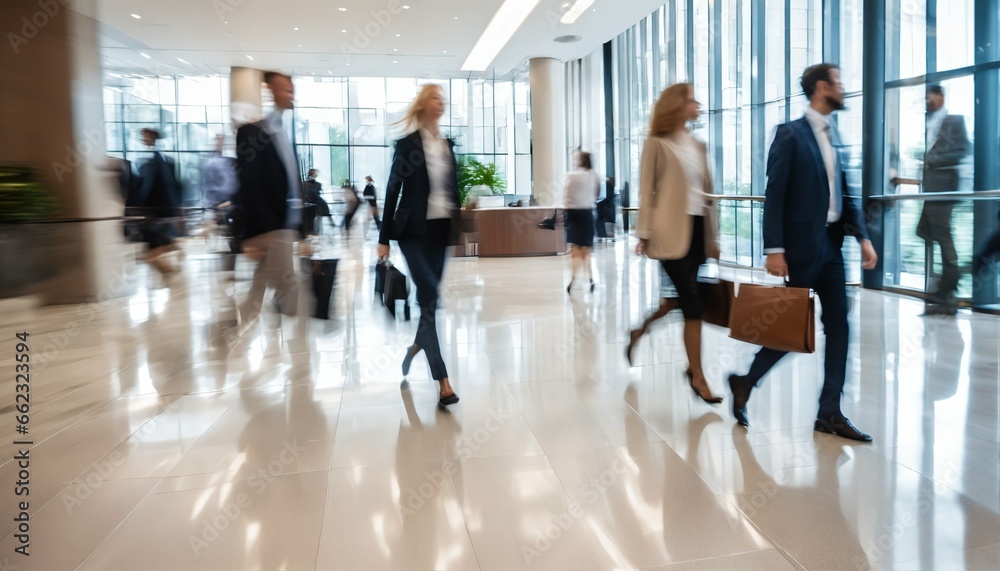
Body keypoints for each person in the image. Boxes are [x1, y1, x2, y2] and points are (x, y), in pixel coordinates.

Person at [728, 64, 879, 441]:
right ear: (821, 87)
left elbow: (844, 193)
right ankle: (746, 381)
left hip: (832, 245)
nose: (843, 89)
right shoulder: (790, 134)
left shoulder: (834, 136)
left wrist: (862, 237)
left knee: (840, 327)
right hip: (797, 249)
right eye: (839, 83)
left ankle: (829, 412)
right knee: (790, 327)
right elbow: (774, 195)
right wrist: (774, 249)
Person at [635, 83, 723, 405]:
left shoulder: (698, 145)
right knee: (692, 304)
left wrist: (713, 238)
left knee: (680, 302)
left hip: (698, 230)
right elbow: (648, 191)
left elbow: (707, 196)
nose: (697, 103)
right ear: (676, 105)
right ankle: (697, 375)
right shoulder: (656, 144)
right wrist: (643, 233)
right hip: (669, 233)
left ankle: (639, 330)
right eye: (691, 99)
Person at [377, 83, 461, 406]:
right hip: (413, 232)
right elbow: (391, 191)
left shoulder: (447, 145)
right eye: (435, 97)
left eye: (443, 98)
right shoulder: (407, 145)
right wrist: (383, 239)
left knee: (427, 303)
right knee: (431, 292)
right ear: (423, 105)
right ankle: (443, 381)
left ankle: (417, 346)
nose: (441, 102)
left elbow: (452, 190)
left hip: (441, 232)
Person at [232, 72, 304, 327]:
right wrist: (263, 227)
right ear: (271, 91)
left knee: (262, 280)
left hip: (285, 223)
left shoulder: (282, 131)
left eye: (292, 89)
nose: (291, 93)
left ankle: (239, 316)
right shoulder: (253, 133)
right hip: (272, 227)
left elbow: (291, 182)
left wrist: (300, 226)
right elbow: (250, 183)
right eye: (285, 88)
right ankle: (301, 352)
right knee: (294, 291)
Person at [918, 84, 970, 315]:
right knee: (926, 231)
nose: (927, 101)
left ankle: (947, 288)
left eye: (930, 97)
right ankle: (945, 283)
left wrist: (934, 160)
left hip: (944, 190)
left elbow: (964, 149)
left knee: (942, 235)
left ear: (940, 96)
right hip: (931, 189)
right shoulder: (928, 123)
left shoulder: (955, 120)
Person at [136, 128, 182, 274]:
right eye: (143, 137)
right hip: (157, 210)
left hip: (156, 210)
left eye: (146, 136)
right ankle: (168, 267)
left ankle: (169, 266)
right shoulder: (156, 159)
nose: (144, 139)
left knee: (152, 249)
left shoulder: (155, 160)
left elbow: (153, 187)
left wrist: (139, 205)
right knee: (153, 247)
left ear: (153, 138)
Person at [625, 265, 680, 366]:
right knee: (674, 304)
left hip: (682, 260)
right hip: (682, 261)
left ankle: (638, 332)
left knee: (673, 305)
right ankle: (638, 332)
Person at [564, 151, 601, 293]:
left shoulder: (571, 176)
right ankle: (590, 277)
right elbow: (597, 194)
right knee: (587, 248)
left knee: (575, 249)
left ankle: (573, 278)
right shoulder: (594, 176)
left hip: (573, 214)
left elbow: (567, 196)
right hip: (587, 213)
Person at [303, 168, 333, 235]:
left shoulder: (317, 184)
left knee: (323, 205)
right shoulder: (305, 184)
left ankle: (328, 219)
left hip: (315, 200)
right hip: (310, 200)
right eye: (314, 173)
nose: (315, 174)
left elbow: (317, 193)